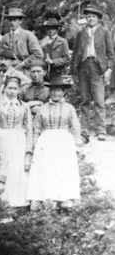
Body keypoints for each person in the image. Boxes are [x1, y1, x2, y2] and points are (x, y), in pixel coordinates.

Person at [26, 77, 82, 208]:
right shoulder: (42, 108)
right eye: (53, 91)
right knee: (46, 168)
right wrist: (34, 144)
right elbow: (36, 128)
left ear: (63, 92)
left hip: (63, 141)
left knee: (62, 168)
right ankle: (46, 197)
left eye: (58, 91)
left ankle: (64, 198)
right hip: (46, 141)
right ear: (49, 92)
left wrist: (77, 144)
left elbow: (75, 127)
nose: (55, 94)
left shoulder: (69, 108)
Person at [70, 5, 114, 138]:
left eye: (93, 17)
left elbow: (111, 54)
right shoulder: (81, 33)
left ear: (98, 19)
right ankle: (84, 129)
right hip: (83, 66)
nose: (90, 19)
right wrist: (74, 71)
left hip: (98, 67)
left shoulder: (104, 32)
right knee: (84, 99)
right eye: (88, 16)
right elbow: (75, 53)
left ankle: (101, 130)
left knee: (99, 99)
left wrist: (109, 69)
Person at [0, 77, 33, 208]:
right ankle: (2, 200)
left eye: (15, 88)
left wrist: (28, 150)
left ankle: (17, 201)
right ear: (4, 88)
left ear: (19, 90)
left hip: (18, 139)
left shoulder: (24, 106)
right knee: (4, 166)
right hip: (2, 137)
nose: (12, 91)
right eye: (9, 88)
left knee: (17, 168)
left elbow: (29, 128)